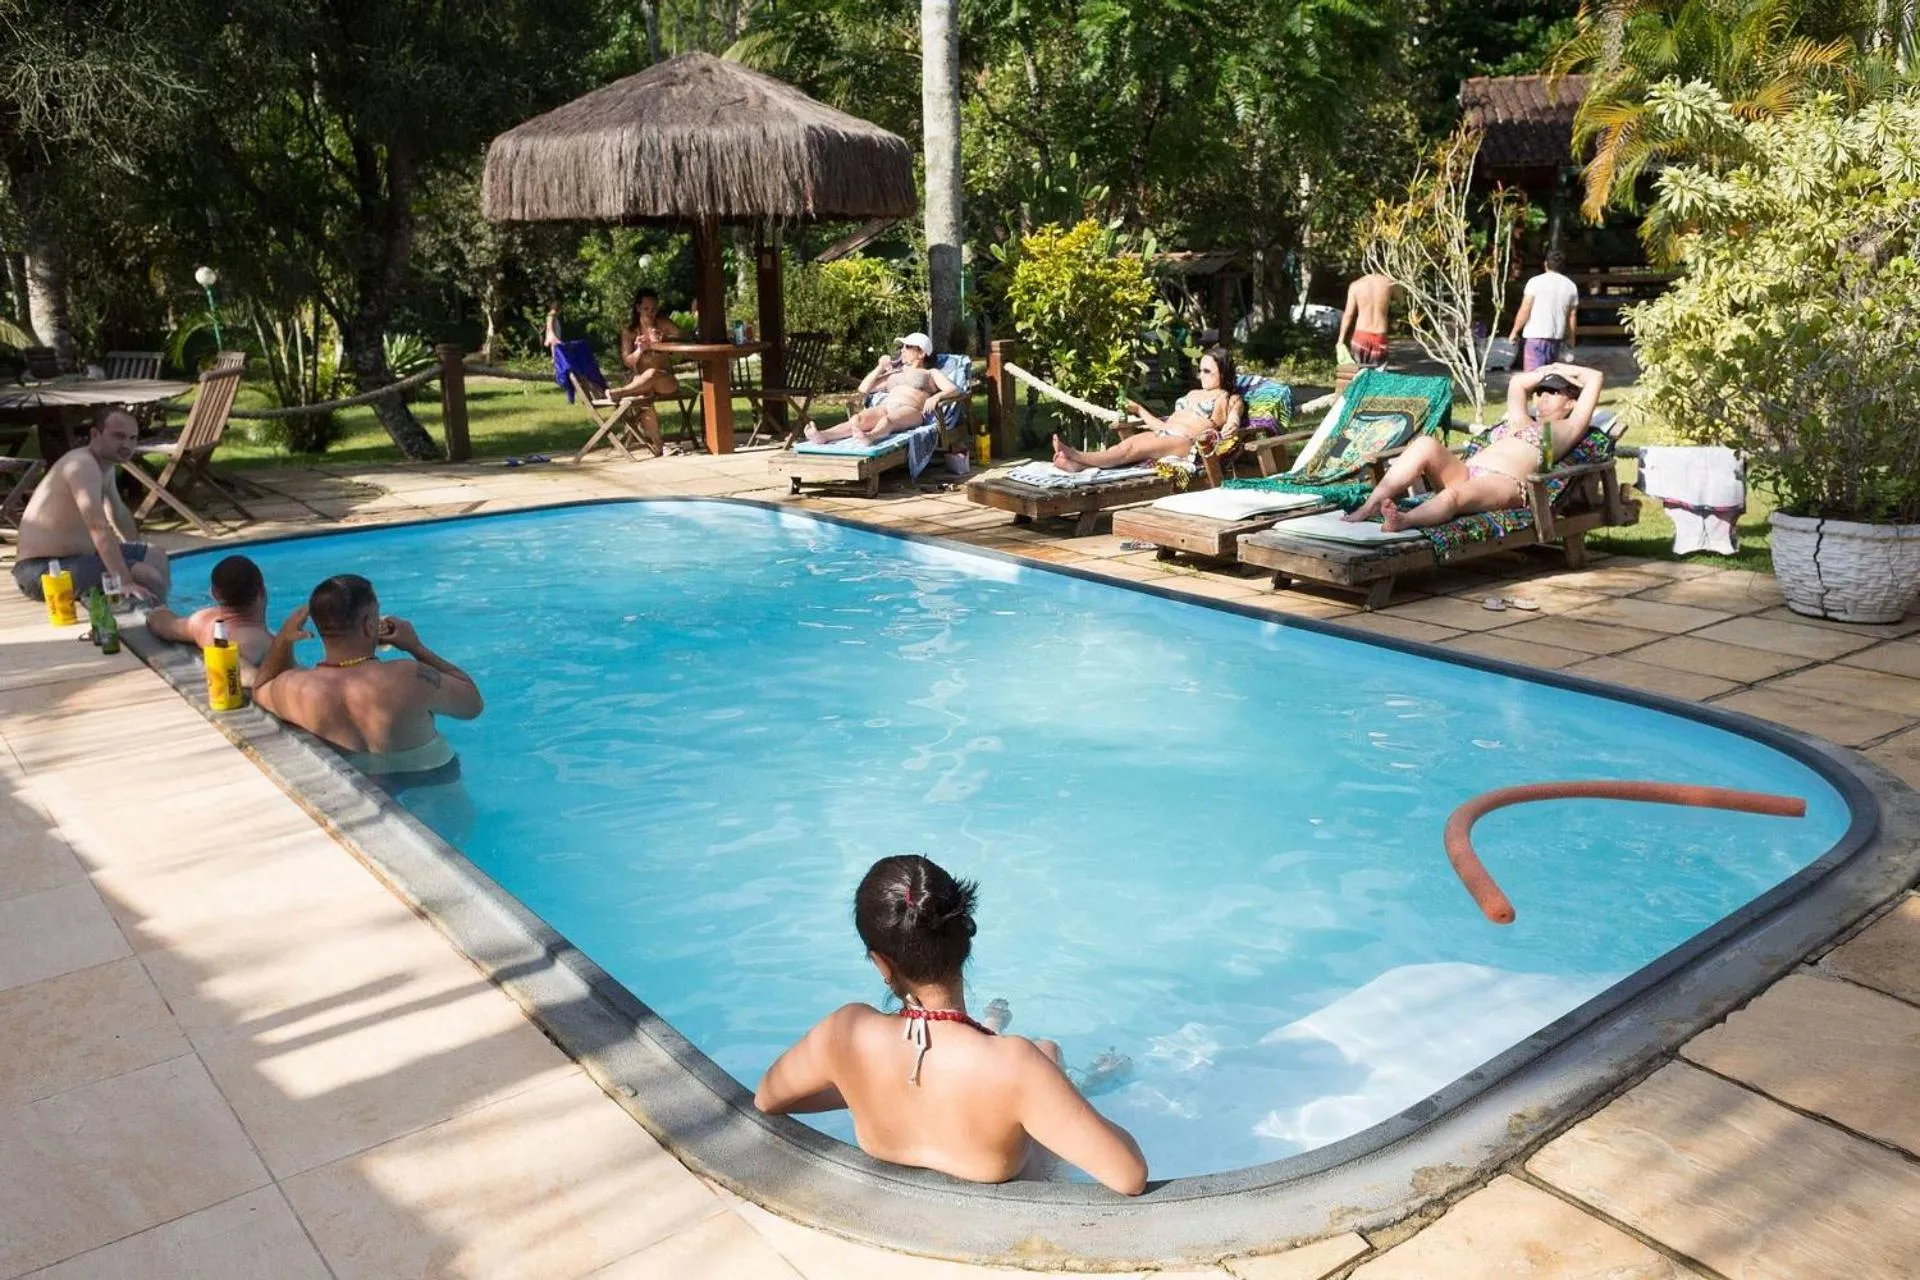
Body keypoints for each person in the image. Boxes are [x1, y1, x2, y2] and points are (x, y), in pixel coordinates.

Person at [755, 855, 1148, 1194]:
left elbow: (768, 1099)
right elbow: (1129, 1175)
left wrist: (861, 1087)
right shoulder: (1016, 1066)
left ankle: (990, 1032)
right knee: (1047, 1051)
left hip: (917, 1098)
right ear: (965, 941)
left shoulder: (845, 1033)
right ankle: (1080, 1081)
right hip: (1019, 1185)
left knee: (1027, 1062)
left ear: (881, 963)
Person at [251, 574, 483, 789]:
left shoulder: (297, 689)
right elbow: (472, 705)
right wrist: (415, 646)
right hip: (435, 783)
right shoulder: (410, 676)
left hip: (365, 787)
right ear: (368, 624)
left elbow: (261, 686)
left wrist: (283, 639)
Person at [1345, 363, 1604, 531]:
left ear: (1571, 403)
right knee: (1424, 443)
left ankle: (1404, 521)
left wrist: (1562, 368)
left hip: (1504, 483)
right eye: (1541, 392)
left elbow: (1595, 376)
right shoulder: (1520, 421)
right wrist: (1547, 373)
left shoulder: (1566, 430)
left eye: (1554, 392)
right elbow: (1517, 383)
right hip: (1467, 472)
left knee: (1451, 497)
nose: (1542, 397)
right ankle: (1370, 506)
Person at [11, 408, 170, 605]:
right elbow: (98, 526)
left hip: (80, 557)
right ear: (95, 434)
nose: (127, 445)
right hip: (44, 570)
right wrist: (126, 581)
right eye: (119, 437)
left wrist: (135, 548)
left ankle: (163, 613)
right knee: (146, 575)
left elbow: (118, 513)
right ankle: (158, 622)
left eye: (132, 438)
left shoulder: (105, 466)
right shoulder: (81, 465)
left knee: (155, 555)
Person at [1050, 345, 1242, 474]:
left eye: (1207, 371)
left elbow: (1234, 415)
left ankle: (1077, 455)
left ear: (1223, 372)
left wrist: (1232, 424)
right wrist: (1139, 410)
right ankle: (1077, 466)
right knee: (1122, 447)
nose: (1201, 375)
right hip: (1164, 434)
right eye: (1200, 370)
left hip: (1189, 444)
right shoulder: (1192, 394)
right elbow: (1161, 426)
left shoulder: (1228, 397)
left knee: (1132, 448)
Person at [804, 333, 960, 446]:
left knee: (888, 421)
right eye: (902, 346)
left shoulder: (930, 373)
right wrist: (880, 368)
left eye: (908, 346)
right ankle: (823, 435)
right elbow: (864, 388)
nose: (902, 350)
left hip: (911, 410)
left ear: (921, 353)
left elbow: (953, 389)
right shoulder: (895, 372)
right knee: (858, 419)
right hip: (886, 406)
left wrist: (936, 397)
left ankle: (870, 437)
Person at [145, 554, 272, 679]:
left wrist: (156, 612)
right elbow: (238, 672)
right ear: (262, 590)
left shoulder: (203, 621)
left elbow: (163, 623)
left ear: (213, 593)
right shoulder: (262, 642)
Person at [608, 288, 684, 449]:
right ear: (637, 308)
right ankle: (659, 446)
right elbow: (628, 361)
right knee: (643, 396)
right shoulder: (629, 331)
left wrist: (664, 339)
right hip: (641, 382)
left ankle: (621, 392)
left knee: (652, 373)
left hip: (665, 381)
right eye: (646, 309)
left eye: (654, 308)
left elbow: (683, 335)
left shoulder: (662, 323)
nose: (651, 313)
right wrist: (640, 350)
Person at [1508, 250, 1580, 372]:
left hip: (1535, 337)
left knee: (1533, 377)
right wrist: (1571, 338)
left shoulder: (1535, 282)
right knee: (1551, 379)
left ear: (1545, 264)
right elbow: (1572, 316)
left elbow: (1525, 309)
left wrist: (1515, 331)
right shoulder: (1570, 286)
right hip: (1556, 338)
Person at [1336, 273, 1395, 368]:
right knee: (1378, 378)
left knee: (1359, 375)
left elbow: (1348, 314)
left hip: (1360, 336)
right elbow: (1402, 302)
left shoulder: (1356, 285)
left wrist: (1340, 340)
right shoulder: (1390, 283)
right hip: (1380, 336)